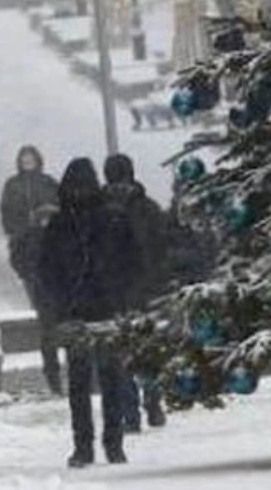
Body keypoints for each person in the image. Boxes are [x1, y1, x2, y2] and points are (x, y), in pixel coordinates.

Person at [41, 159, 136, 468]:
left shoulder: (73, 223)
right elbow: (130, 261)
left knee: (95, 382)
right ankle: (105, 444)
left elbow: (47, 270)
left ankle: (95, 444)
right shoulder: (109, 219)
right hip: (88, 310)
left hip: (87, 309)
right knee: (98, 381)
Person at [102, 155, 168, 432]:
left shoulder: (101, 210)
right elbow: (162, 247)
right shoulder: (148, 207)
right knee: (148, 348)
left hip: (114, 290)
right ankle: (152, 402)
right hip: (146, 289)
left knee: (121, 352)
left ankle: (131, 413)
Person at [0, 146, 61, 395]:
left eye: (31, 158)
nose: (27, 162)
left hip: (52, 253)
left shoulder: (49, 183)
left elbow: (62, 208)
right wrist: (22, 227)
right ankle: (52, 373)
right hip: (28, 252)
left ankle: (55, 372)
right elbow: (6, 216)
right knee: (44, 311)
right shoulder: (12, 186)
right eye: (24, 158)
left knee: (52, 317)